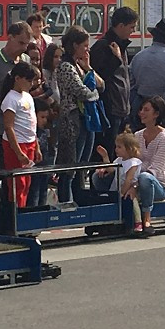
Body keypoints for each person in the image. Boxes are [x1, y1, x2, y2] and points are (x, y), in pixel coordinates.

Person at [54, 26, 103, 205]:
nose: (87, 49)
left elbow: (101, 84)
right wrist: (95, 94)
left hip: (86, 119)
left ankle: (79, 200)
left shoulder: (79, 66)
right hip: (72, 120)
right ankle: (66, 201)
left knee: (83, 164)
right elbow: (82, 92)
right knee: (70, 166)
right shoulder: (66, 67)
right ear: (74, 45)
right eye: (84, 45)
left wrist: (89, 68)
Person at [90, 6, 138, 154]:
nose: (133, 31)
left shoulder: (120, 46)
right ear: (121, 26)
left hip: (121, 108)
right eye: (131, 27)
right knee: (108, 150)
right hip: (110, 107)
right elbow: (100, 76)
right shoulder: (104, 46)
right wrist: (116, 59)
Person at [0, 22, 32, 137]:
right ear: (10, 37)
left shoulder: (26, 61)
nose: (24, 48)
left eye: (26, 45)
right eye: (21, 43)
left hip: (20, 126)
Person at [129, 19, 165, 130]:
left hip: (141, 107)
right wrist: (158, 105)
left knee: (140, 143)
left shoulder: (139, 56)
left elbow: (131, 84)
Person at [132, 96, 165, 236]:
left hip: (158, 186)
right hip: (137, 179)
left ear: (156, 114)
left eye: (146, 110)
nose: (141, 113)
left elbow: (155, 169)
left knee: (145, 177)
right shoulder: (137, 135)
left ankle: (147, 218)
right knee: (98, 177)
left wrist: (134, 178)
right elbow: (130, 159)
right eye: (141, 109)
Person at [0, 61, 40, 208]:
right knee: (18, 184)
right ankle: (15, 215)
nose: (31, 84)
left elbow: (32, 123)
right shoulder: (10, 99)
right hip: (17, 145)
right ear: (17, 79)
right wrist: (18, 152)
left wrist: (36, 146)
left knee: (26, 182)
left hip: (29, 143)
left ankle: (22, 212)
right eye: (28, 80)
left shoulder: (27, 96)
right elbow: (9, 127)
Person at [90, 132, 142, 225]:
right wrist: (105, 156)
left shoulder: (133, 162)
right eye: (116, 147)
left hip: (129, 190)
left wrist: (122, 193)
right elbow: (111, 169)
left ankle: (137, 222)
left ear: (129, 149)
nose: (116, 149)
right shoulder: (119, 160)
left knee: (132, 202)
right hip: (117, 189)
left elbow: (128, 180)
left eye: (119, 147)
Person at [28, 97, 58, 208]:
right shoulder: (31, 133)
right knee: (34, 194)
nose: (45, 120)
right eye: (42, 117)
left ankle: (42, 212)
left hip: (45, 168)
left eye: (46, 117)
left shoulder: (45, 131)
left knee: (43, 193)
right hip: (35, 169)